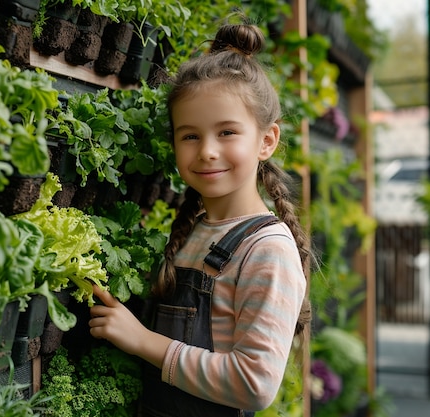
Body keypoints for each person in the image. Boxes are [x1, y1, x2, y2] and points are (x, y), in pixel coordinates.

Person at [88, 19, 312, 417]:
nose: (207, 151)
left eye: (227, 132)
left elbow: (254, 384)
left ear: (267, 141)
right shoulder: (194, 231)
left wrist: (142, 341)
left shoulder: (267, 250)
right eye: (190, 135)